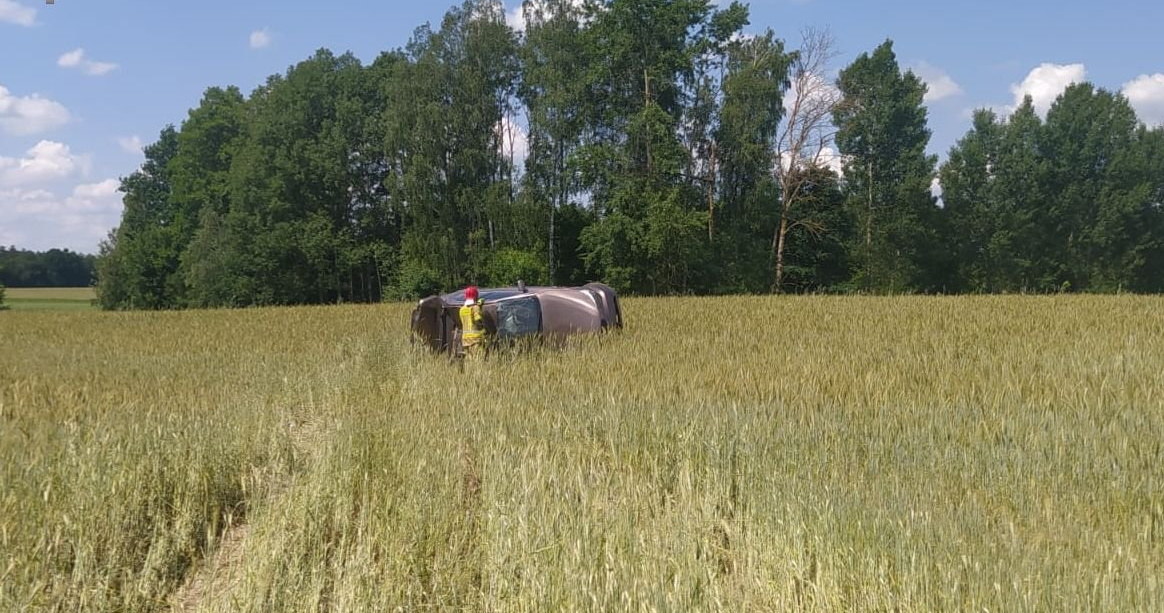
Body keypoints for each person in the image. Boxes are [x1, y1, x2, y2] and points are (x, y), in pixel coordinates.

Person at [459, 285, 487, 359]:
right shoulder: (475, 308)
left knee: (469, 360)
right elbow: (478, 321)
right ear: (475, 296)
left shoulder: (462, 309)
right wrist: (484, 332)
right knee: (478, 359)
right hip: (475, 339)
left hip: (465, 340)